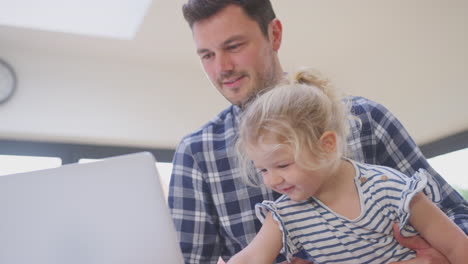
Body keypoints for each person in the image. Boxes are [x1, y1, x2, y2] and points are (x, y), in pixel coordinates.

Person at [169, 0, 468, 263]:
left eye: (233, 46)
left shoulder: (366, 121)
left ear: (274, 34)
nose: (222, 67)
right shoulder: (197, 154)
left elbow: (456, 217)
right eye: (206, 55)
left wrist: (436, 258)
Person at [226, 68, 468, 264]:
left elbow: (457, 246)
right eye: (263, 170)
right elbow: (251, 257)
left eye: (282, 165)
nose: (272, 181)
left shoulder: (388, 189)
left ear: (326, 145)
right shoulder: (285, 214)